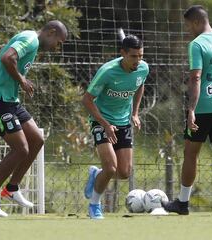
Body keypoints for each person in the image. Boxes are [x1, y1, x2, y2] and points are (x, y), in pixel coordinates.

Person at [0, 20, 68, 217]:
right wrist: (22, 80)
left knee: (37, 139)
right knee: (21, 149)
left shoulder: (32, 42)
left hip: (10, 100)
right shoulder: (30, 39)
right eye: (58, 42)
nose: (57, 48)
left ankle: (12, 188)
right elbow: (7, 58)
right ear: (51, 32)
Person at [163, 5, 212, 216]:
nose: (188, 29)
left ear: (197, 22)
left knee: (190, 152)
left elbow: (196, 77)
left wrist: (191, 109)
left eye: (188, 25)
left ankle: (183, 203)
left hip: (203, 107)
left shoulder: (196, 44)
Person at [82, 35, 149, 219]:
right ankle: (94, 206)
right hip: (101, 121)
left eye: (141, 56)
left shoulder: (143, 68)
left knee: (124, 172)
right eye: (133, 56)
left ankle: (96, 175)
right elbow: (86, 100)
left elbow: (140, 85)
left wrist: (135, 113)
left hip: (123, 122)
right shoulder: (108, 71)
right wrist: (105, 124)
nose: (138, 61)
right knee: (111, 168)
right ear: (123, 53)